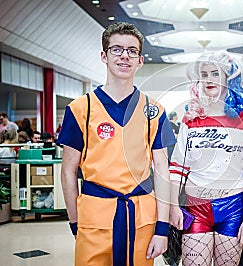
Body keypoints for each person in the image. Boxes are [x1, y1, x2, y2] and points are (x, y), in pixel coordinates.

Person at [57, 22, 176, 266]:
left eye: (132, 51)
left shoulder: (154, 110)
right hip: (94, 217)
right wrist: (75, 221)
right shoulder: (80, 108)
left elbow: (162, 169)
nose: (125, 55)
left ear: (140, 60)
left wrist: (162, 228)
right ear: (104, 55)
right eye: (117, 49)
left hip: (141, 217)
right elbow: (68, 170)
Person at [169, 50, 243, 266]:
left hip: (233, 207)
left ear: (229, 77)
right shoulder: (191, 119)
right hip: (195, 207)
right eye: (204, 74)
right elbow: (177, 168)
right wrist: (173, 206)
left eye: (215, 73)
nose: (209, 79)